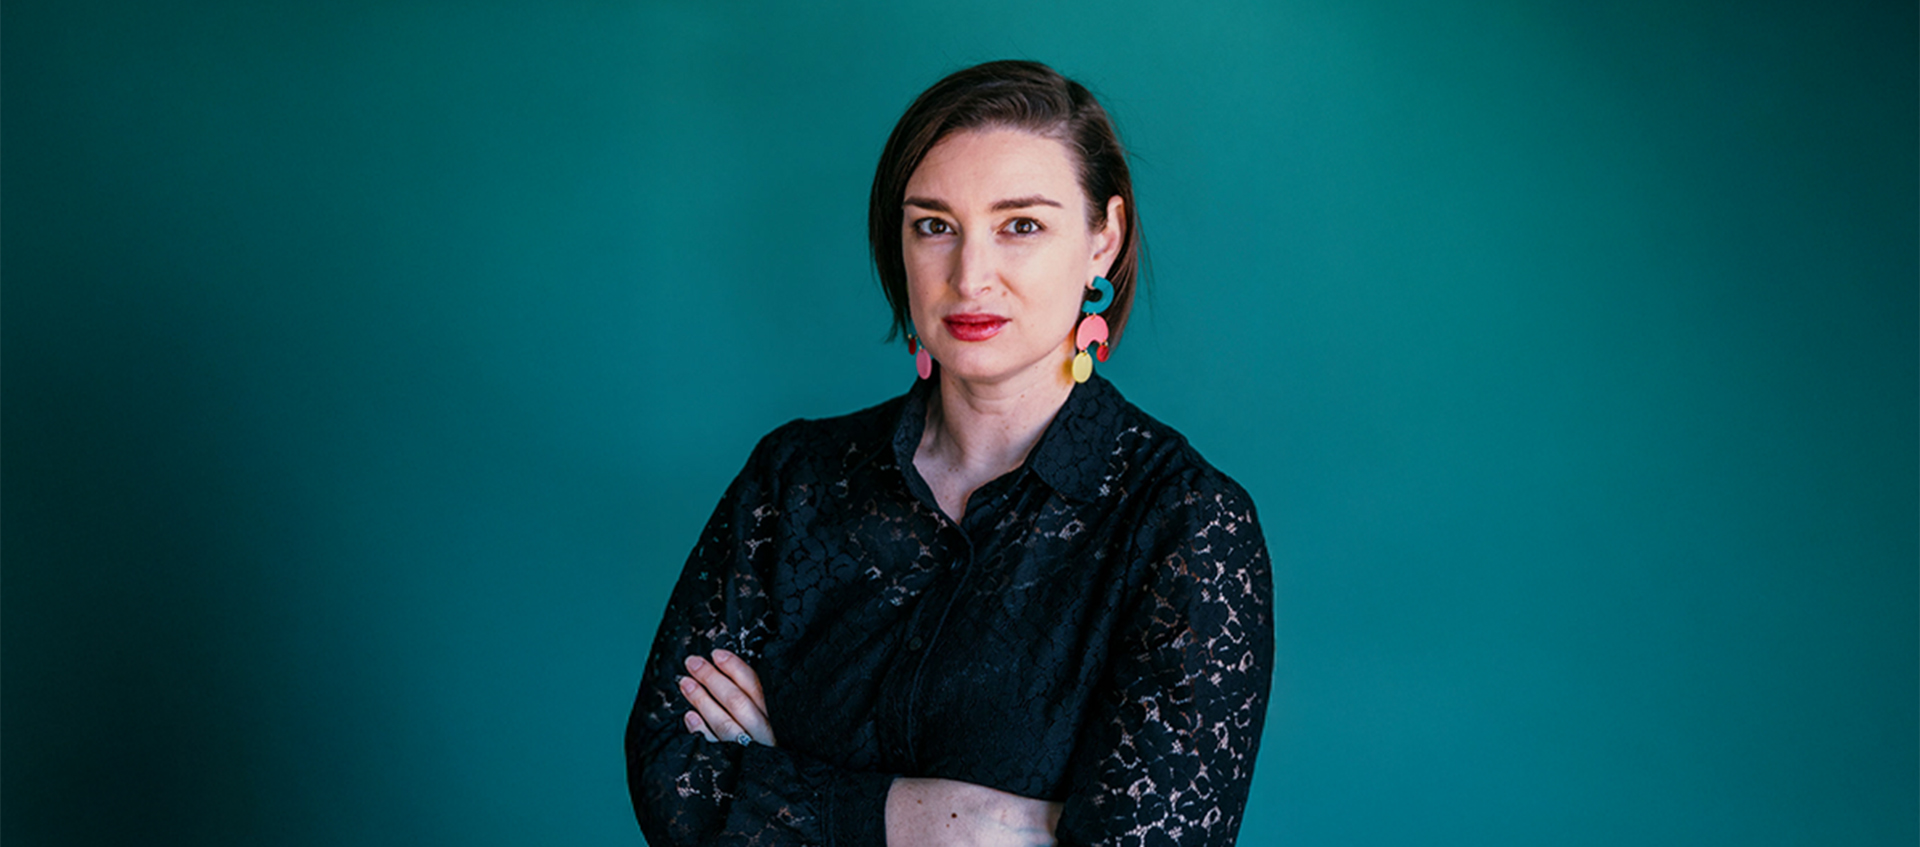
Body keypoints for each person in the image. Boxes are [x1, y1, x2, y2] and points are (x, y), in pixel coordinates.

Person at [625, 59, 1273, 846]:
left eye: (1021, 225)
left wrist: (782, 782)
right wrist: (949, 822)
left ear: (1104, 239)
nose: (970, 276)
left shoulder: (1187, 526)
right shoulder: (792, 480)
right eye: (934, 224)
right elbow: (671, 778)